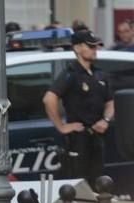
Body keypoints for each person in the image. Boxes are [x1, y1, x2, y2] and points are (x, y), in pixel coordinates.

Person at [43, 29, 114, 187]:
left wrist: (105, 120)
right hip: (78, 139)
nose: (95, 50)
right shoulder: (71, 74)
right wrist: (61, 126)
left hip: (98, 137)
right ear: (77, 48)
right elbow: (49, 99)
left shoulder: (100, 74)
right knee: (79, 185)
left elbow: (110, 102)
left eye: (96, 46)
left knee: (99, 183)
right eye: (91, 46)